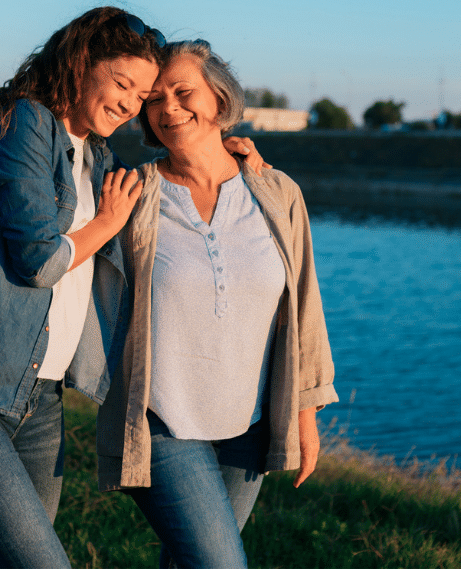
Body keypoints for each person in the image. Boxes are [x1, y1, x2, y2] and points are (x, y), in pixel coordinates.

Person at [0, 7, 262, 568]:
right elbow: (37, 259)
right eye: (122, 83)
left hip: (38, 399)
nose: (130, 103)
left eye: (139, 95)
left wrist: (235, 157)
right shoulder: (23, 121)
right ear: (79, 62)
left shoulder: (98, 159)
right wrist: (103, 226)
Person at [95, 39, 338, 568]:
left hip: (247, 427)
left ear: (220, 99)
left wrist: (306, 410)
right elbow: (66, 247)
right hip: (162, 422)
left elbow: (304, 308)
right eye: (155, 99)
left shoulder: (276, 191)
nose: (168, 109)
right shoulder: (133, 194)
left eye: (184, 92)